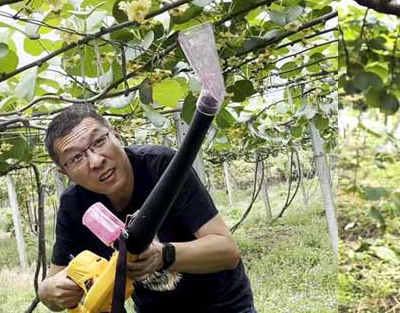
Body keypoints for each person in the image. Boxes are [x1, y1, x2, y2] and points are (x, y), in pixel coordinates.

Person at [38, 104, 256, 313]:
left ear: (116, 135)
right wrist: (49, 291)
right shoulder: (75, 205)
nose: (95, 161)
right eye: (76, 158)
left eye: (98, 142)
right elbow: (53, 284)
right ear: (65, 174)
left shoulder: (163, 168)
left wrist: (163, 255)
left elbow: (228, 252)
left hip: (224, 306)